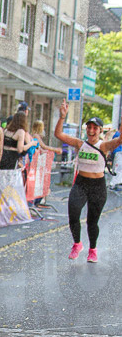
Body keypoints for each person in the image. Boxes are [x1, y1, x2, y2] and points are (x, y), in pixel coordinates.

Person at [54, 103, 121, 263]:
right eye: (89, 127)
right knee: (74, 214)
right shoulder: (79, 144)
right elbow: (58, 134)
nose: (91, 131)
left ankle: (93, 250)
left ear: (100, 131)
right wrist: (62, 116)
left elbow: (119, 141)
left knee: (92, 221)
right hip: (81, 183)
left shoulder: (103, 145)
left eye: (95, 128)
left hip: (98, 186)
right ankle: (77, 244)